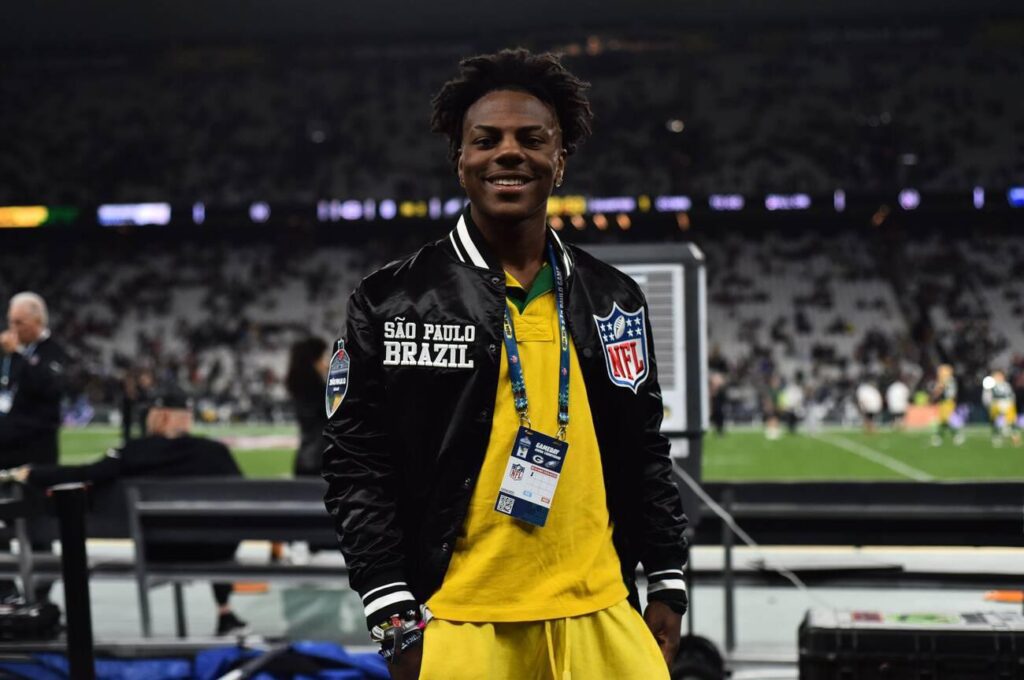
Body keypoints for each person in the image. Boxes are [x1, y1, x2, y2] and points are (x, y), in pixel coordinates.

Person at [322, 49, 688, 680]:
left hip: (603, 613)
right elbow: (356, 466)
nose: (509, 153)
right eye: (486, 140)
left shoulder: (614, 298)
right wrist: (392, 616)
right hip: (459, 623)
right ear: (460, 162)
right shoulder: (390, 300)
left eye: (532, 139)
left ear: (560, 160)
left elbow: (644, 451)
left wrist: (668, 581)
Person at [4, 384, 249, 636]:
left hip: (157, 548)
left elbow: (86, 474)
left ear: (159, 416)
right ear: (186, 418)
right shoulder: (216, 453)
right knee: (207, 524)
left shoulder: (135, 452)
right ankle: (224, 610)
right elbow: (242, 498)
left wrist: (33, 473)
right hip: (215, 549)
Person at [0, 292, 68, 468]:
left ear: (37, 322)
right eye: (10, 321)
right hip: (9, 440)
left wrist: (19, 354)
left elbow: (49, 387)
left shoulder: (53, 350)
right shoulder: (10, 352)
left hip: (36, 445)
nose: (13, 328)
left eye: (19, 323)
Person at [285, 337, 329, 476]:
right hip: (321, 460)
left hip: (305, 459)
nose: (327, 362)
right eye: (324, 357)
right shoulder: (319, 392)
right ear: (315, 361)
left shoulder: (301, 389)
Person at [982, 371, 1020, 447]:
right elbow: (987, 396)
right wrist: (989, 404)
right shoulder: (991, 385)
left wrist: (1012, 403)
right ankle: (997, 435)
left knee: (1012, 421)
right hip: (996, 404)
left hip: (1008, 404)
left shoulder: (1007, 385)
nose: (999, 377)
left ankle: (1013, 435)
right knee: (995, 420)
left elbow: (1012, 395)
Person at [931, 364, 964, 446]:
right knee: (944, 420)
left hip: (947, 401)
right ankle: (940, 436)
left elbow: (939, 390)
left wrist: (938, 389)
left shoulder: (947, 380)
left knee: (947, 419)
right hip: (945, 402)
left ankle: (953, 435)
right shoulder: (948, 380)